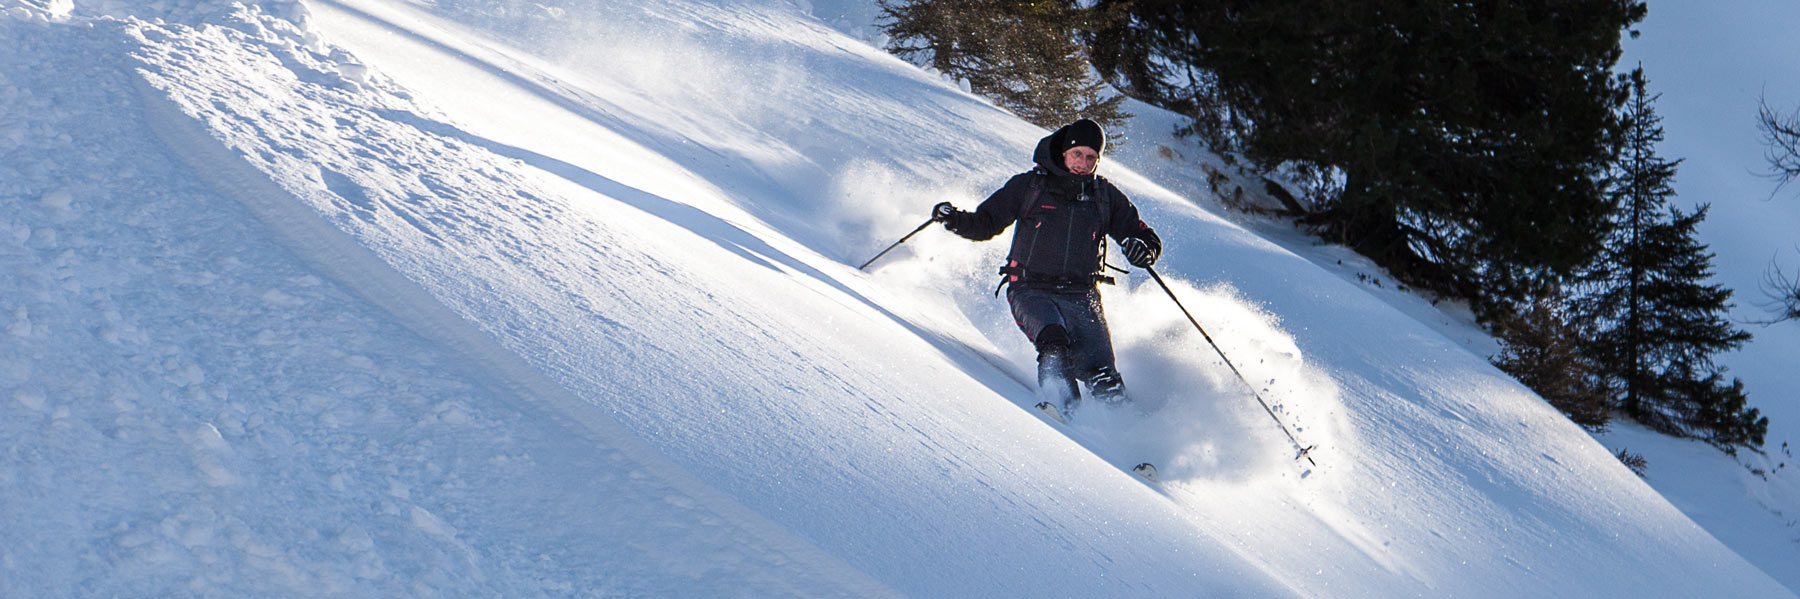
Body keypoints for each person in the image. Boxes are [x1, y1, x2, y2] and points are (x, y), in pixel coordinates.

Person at [932, 119, 1162, 419]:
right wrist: (955, 219)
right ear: (1064, 151)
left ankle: (1131, 437)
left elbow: (1143, 234)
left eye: (1091, 157)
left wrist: (1142, 248)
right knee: (1055, 342)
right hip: (1031, 289)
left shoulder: (1103, 196)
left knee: (1102, 373)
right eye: (1077, 154)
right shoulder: (1030, 186)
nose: (1083, 163)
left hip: (1082, 296)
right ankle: (1064, 412)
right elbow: (986, 223)